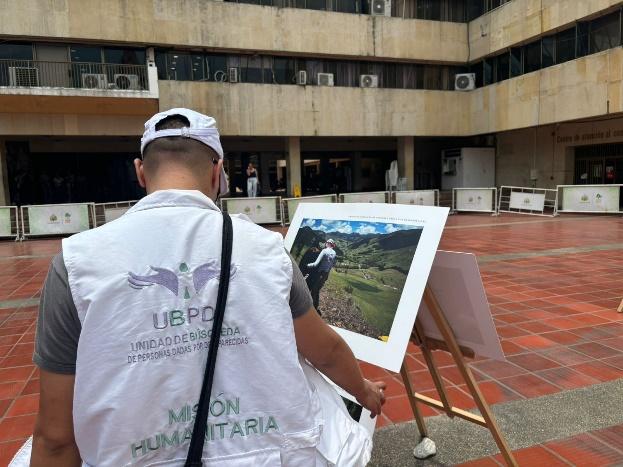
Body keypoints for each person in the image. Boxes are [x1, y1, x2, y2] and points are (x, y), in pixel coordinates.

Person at [30, 108, 385, 467]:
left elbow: (56, 439)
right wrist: (364, 391)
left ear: (140, 171)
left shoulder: (75, 263)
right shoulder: (265, 248)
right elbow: (325, 351)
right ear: (218, 172)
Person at [306, 239, 338, 311]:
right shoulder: (334, 253)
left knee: (313, 290)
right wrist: (327, 276)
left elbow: (315, 264)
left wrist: (307, 265)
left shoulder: (324, 251)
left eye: (326, 243)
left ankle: (312, 307)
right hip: (325, 274)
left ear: (328, 244)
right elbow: (330, 266)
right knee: (317, 290)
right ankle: (315, 306)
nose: (325, 244)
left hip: (319, 273)